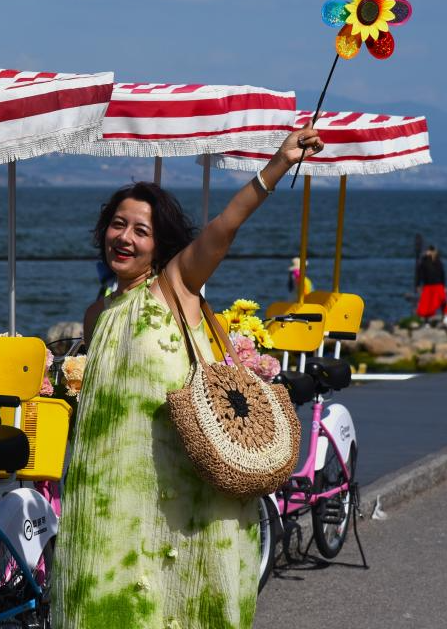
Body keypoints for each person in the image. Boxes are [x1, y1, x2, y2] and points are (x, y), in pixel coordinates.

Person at [53, 128, 325, 628]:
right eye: (118, 224)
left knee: (183, 601)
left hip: (184, 486)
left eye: (141, 230)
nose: (125, 238)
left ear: (161, 244)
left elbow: (224, 228)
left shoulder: (175, 283)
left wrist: (277, 165)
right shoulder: (98, 315)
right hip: (113, 494)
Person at [415, 245, 447, 325]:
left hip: (436, 285)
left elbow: (442, 274)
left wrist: (418, 285)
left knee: (440, 301)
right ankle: (428, 320)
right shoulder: (427, 261)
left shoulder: (436, 261)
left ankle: (445, 317)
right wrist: (418, 285)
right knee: (428, 304)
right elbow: (420, 274)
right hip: (430, 285)